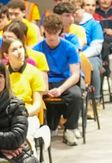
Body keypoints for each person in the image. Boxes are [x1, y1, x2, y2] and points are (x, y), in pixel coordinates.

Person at [35, 13, 83, 147]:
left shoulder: (69, 48)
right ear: (44, 30)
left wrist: (61, 89)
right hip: (44, 81)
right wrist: (44, 89)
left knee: (76, 95)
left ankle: (70, 128)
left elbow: (75, 75)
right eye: (48, 32)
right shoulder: (36, 49)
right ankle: (43, 127)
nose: (51, 36)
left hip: (64, 81)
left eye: (54, 32)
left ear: (60, 31)